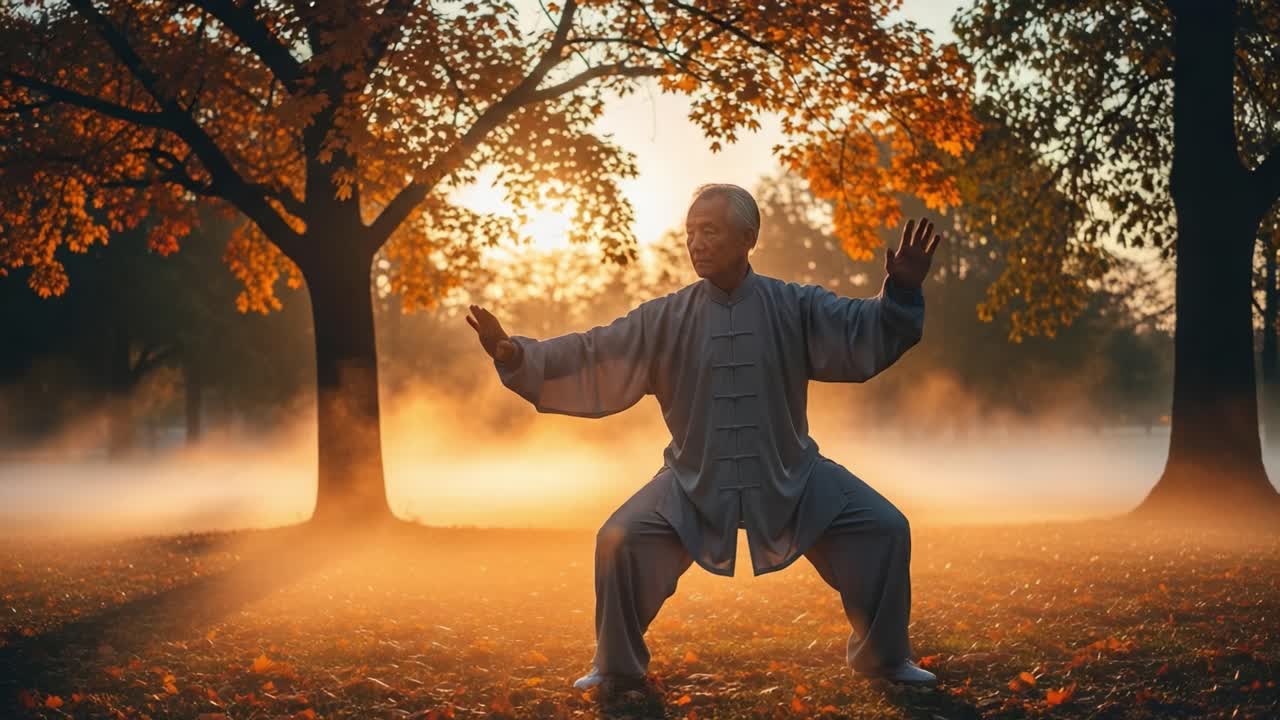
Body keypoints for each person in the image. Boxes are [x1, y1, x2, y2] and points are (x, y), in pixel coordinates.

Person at [466, 183, 941, 690]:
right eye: (690, 233)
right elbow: (593, 353)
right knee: (617, 541)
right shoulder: (665, 318)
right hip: (691, 482)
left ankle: (884, 660)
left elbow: (861, 327)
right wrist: (517, 356)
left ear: (748, 237)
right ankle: (616, 668)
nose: (696, 243)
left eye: (710, 231)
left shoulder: (794, 306)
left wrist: (902, 293)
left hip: (792, 474)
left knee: (884, 527)